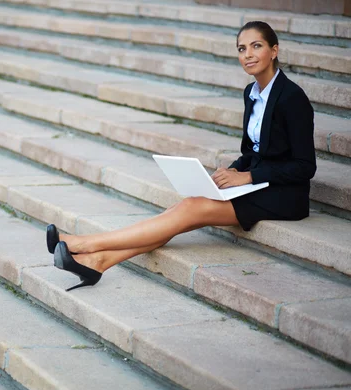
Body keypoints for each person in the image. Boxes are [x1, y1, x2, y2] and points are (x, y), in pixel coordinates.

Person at [47, 21, 317, 292]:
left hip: (283, 195)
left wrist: (249, 176)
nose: (247, 54)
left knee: (189, 209)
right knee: (179, 210)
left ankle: (85, 244)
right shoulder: (251, 93)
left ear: (274, 50)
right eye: (241, 48)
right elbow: (252, 151)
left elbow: (305, 166)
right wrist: (233, 172)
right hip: (257, 184)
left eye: (256, 46)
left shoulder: (292, 97)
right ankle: (98, 262)